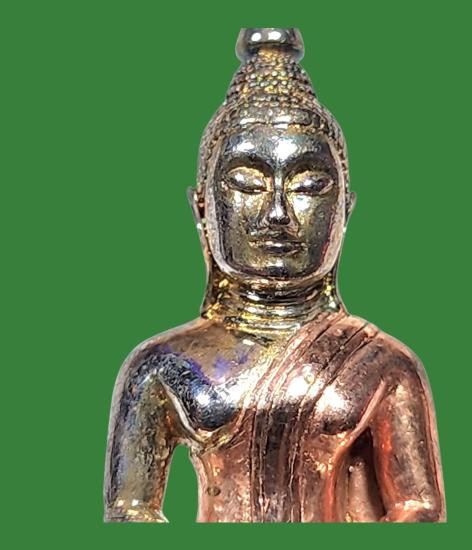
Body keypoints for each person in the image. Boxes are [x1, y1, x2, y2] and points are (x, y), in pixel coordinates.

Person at [104, 27, 445, 523]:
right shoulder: (160, 366)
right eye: (247, 183)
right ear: (203, 209)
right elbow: (129, 512)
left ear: (344, 210)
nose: (278, 213)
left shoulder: (383, 365)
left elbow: (418, 509)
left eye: (309, 185)